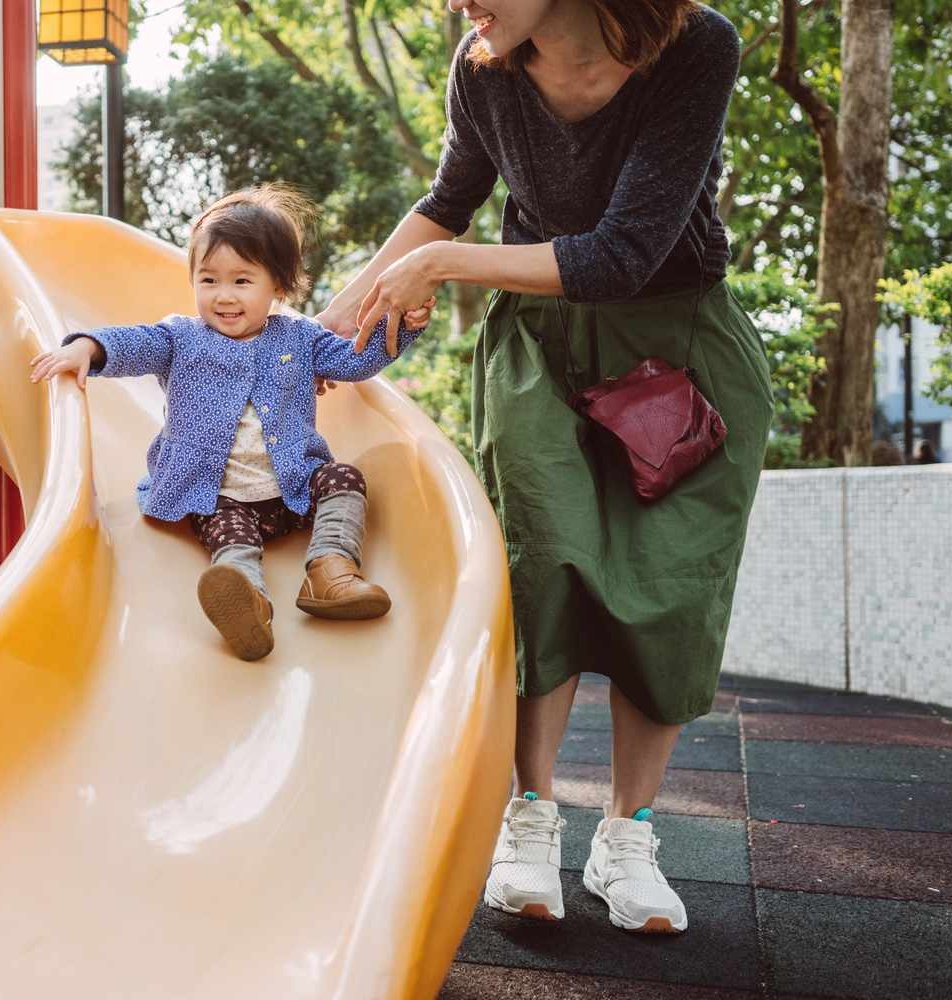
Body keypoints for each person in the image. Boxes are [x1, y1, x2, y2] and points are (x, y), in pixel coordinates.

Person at [316, 1, 775, 934]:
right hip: (540, 350)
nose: (456, 2)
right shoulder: (482, 68)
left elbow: (623, 251)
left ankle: (627, 836)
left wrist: (445, 265)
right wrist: (325, 327)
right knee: (542, 568)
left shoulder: (696, 48)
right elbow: (447, 198)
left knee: (669, 584)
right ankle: (530, 821)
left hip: (676, 344)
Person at [29, 186, 430, 661]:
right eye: (209, 280)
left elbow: (355, 362)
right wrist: (87, 348)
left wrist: (402, 326)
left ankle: (331, 569)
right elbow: (135, 343)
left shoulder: (301, 338)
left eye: (242, 281)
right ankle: (248, 604)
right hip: (216, 495)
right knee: (231, 540)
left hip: (292, 489)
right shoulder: (181, 337)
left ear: (278, 286)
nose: (223, 296)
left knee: (345, 478)